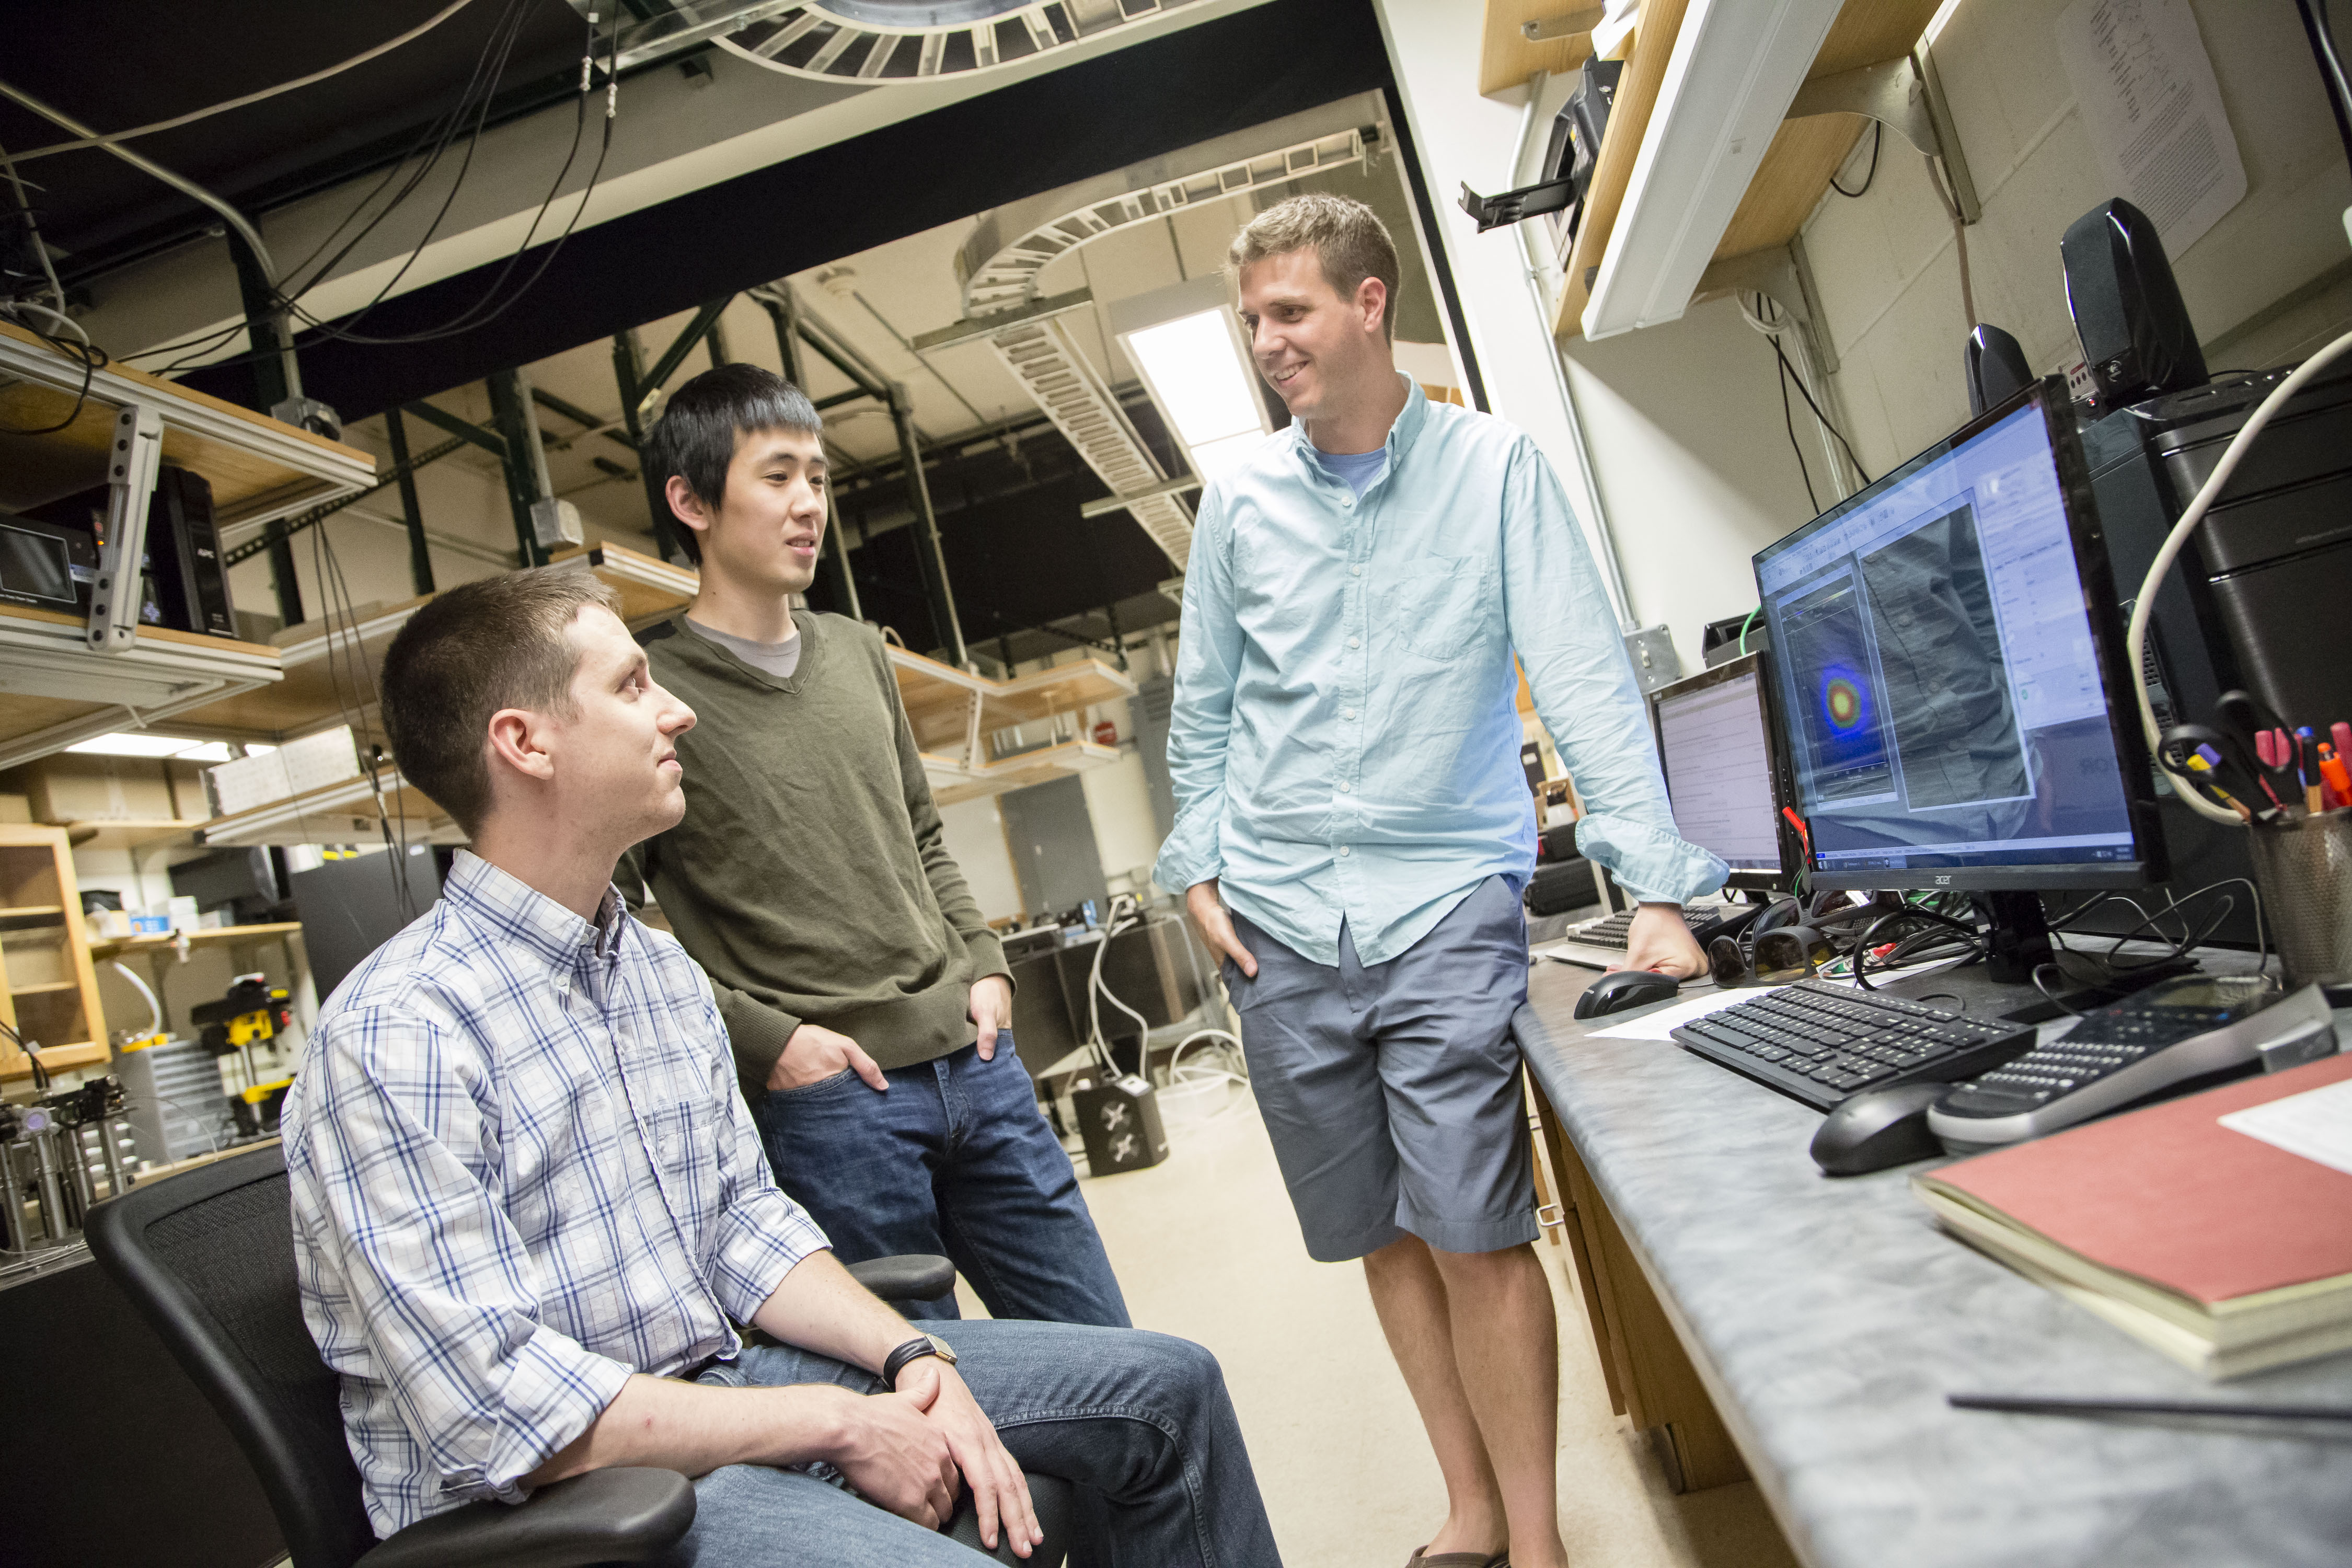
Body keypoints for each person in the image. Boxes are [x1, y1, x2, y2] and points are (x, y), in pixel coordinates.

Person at [281, 572, 1280, 1567]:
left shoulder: (654, 969)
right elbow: (499, 1411)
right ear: (525, 743)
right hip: (562, 1510)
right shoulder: (400, 1033)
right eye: (632, 687)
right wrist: (837, 1422)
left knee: (1170, 1394)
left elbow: (744, 1228)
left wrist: (908, 1353)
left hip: (728, 1392)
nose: (678, 710)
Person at [1154, 194, 1727, 1568]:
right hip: (1280, 929)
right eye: (1250, 322)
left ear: (1367, 304)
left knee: (1471, 1231)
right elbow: (1207, 710)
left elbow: (1586, 681)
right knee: (1379, 1237)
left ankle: (1534, 1542)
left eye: (1286, 312)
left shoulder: (1494, 471)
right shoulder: (1237, 504)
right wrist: (1195, 866)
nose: (1264, 343)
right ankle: (1464, 1507)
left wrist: (1653, 887)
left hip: (1439, 907)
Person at [618, 364, 1126, 1329]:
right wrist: (769, 1044)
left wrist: (986, 964)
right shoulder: (654, 690)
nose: (809, 503)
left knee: (1112, 1357)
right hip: (832, 1103)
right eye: (776, 477)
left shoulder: (857, 651)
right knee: (926, 1406)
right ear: (691, 501)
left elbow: (923, 837)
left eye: (817, 477)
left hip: (975, 1060)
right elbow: (627, 918)